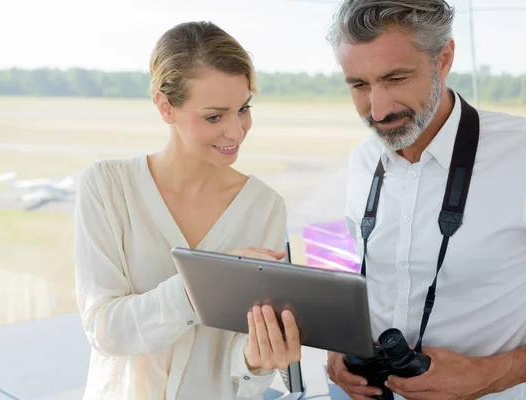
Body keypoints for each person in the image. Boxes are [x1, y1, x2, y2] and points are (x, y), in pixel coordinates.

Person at [73, 21, 302, 400]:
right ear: (166, 107)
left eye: (243, 109)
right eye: (214, 116)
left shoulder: (264, 208)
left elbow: (244, 375)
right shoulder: (107, 187)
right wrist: (204, 284)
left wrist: (256, 361)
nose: (236, 131)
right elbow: (105, 330)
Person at [324, 1, 526, 399]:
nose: (378, 111)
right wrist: (342, 343)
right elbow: (372, 279)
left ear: (444, 58)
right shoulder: (363, 160)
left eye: (396, 78)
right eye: (359, 86)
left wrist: (493, 374)